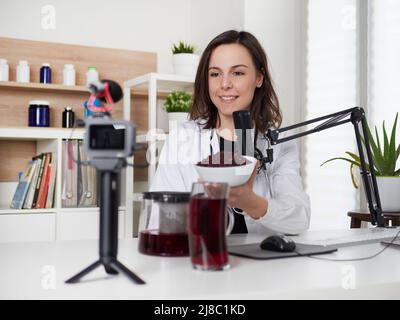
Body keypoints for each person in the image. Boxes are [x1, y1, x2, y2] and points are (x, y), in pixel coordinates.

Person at [149, 30, 310, 235]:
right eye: (215, 74)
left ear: (259, 77)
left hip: (264, 264)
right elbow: (160, 219)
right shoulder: (182, 138)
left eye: (238, 73)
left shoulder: (279, 144)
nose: (225, 84)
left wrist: (251, 203)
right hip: (200, 260)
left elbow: (299, 219)